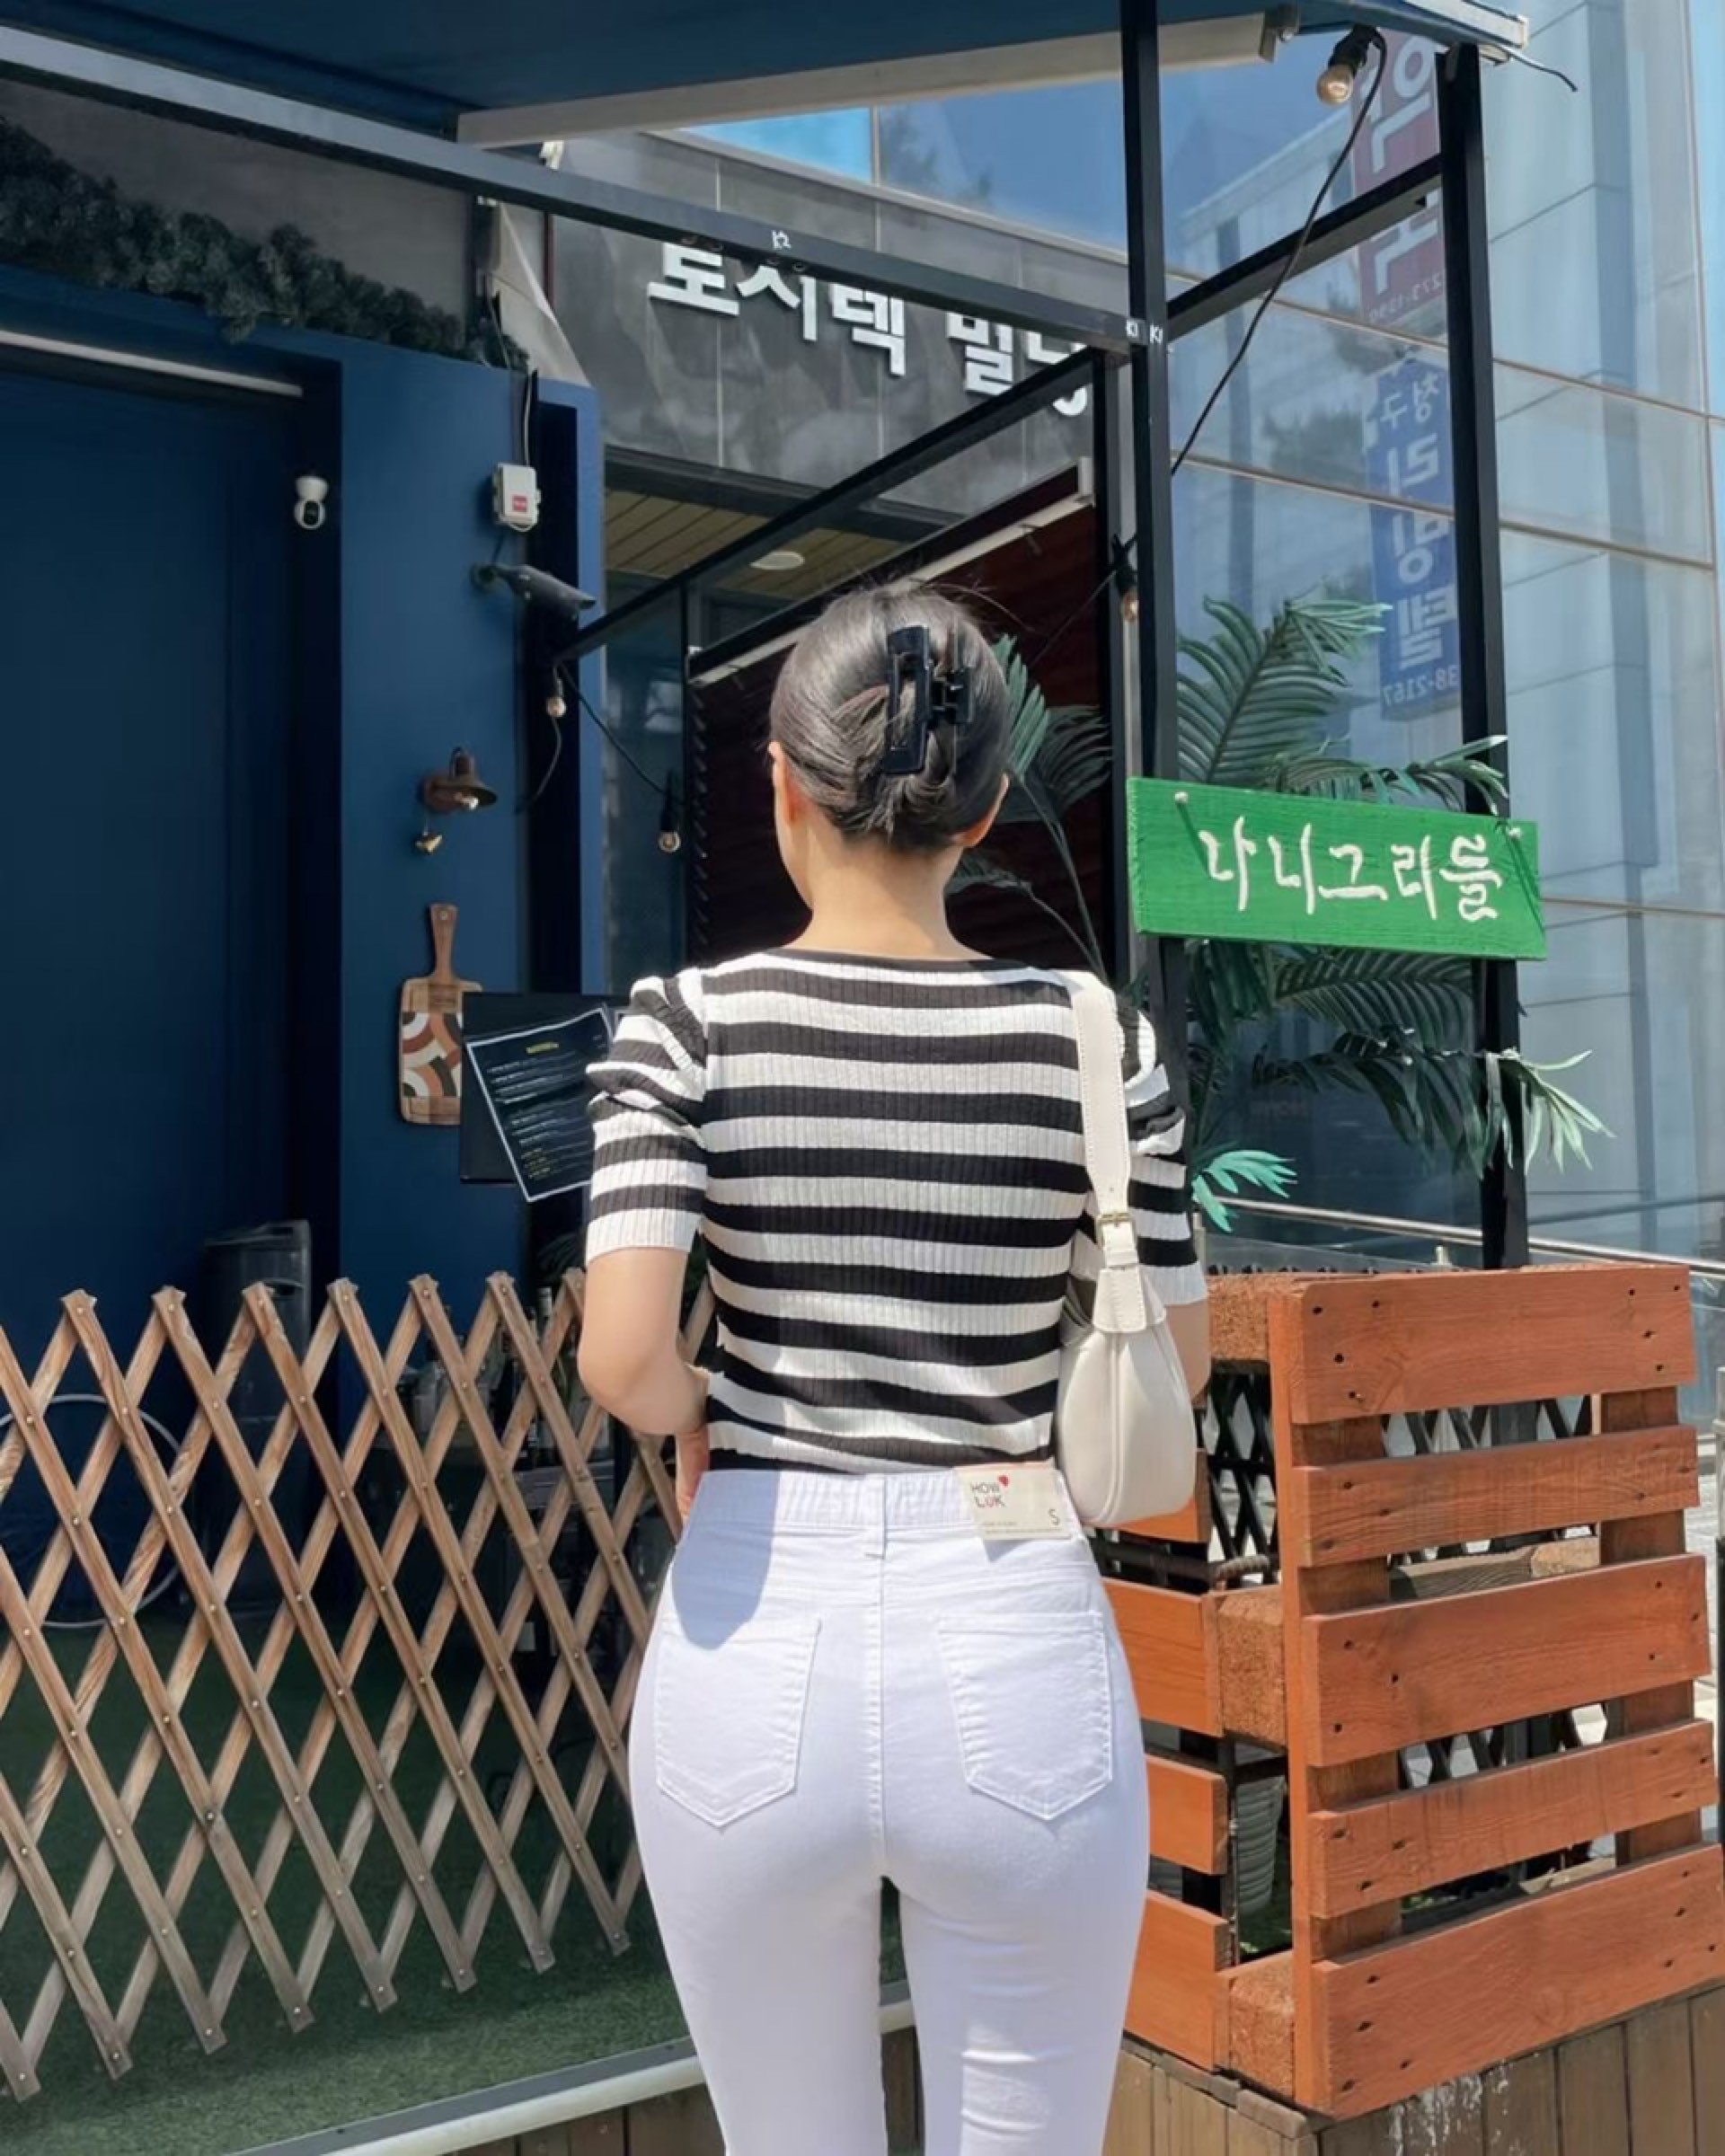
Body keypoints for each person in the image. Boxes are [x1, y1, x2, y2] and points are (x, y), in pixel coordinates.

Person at [578, 585, 1210, 2156]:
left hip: (753, 1624)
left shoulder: (685, 1026)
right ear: (985, 810)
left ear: (781, 787)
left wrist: (706, 1411)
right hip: (1014, 1615)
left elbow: (627, 1354)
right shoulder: (1096, 1039)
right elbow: (1175, 1361)